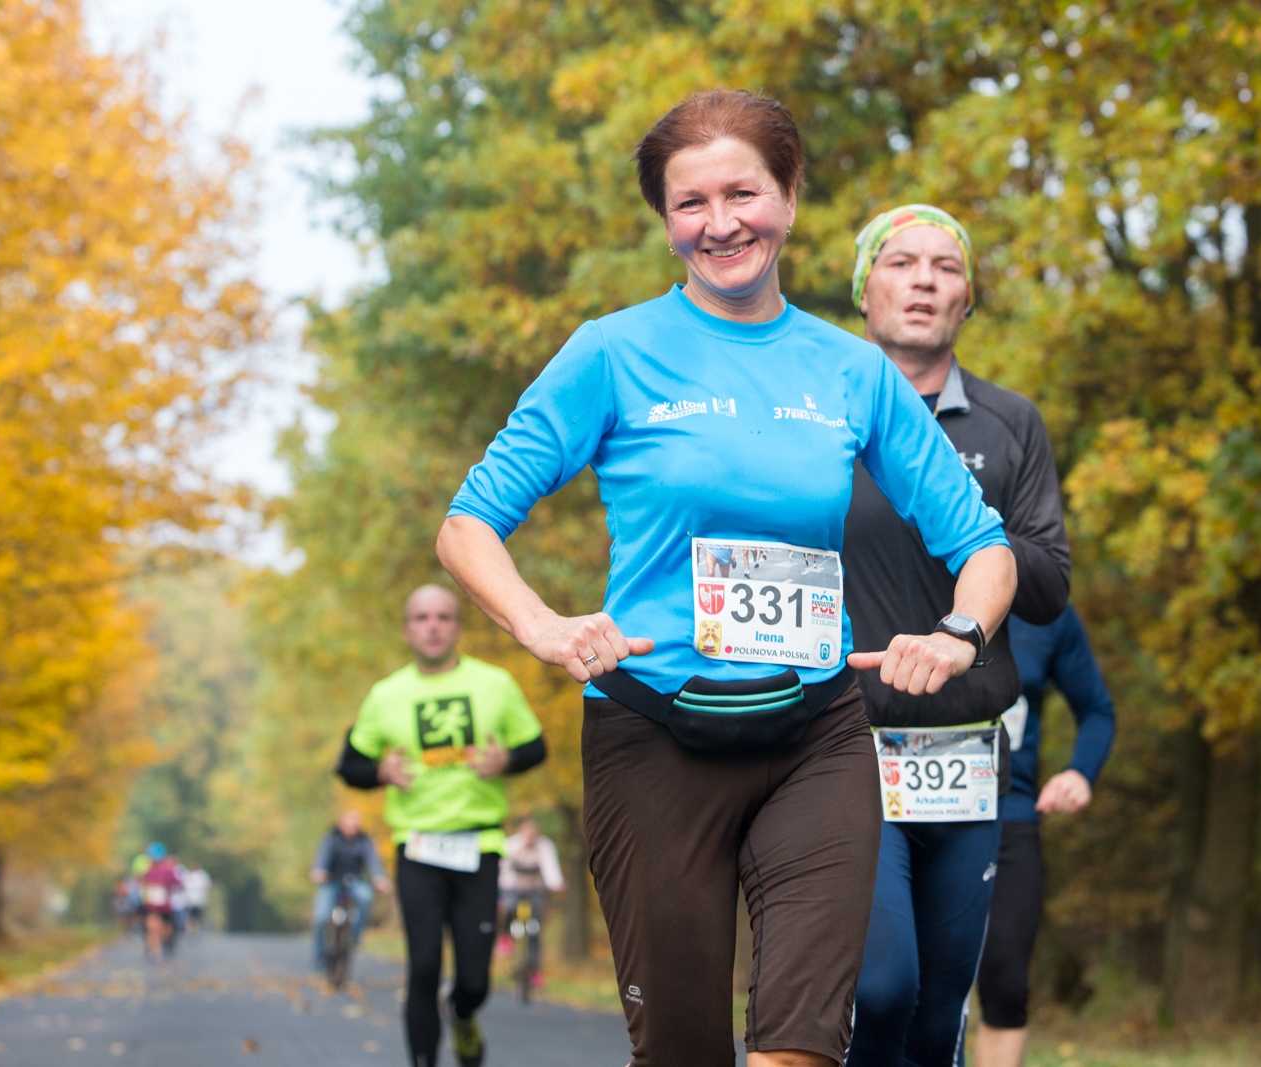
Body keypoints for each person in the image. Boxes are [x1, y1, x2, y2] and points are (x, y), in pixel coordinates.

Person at [436, 89, 1016, 1067]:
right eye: (689, 204)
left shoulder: (850, 370)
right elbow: (467, 526)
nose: (719, 223)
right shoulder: (612, 353)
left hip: (816, 730)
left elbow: (984, 545)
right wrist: (540, 625)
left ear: (788, 196)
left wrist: (956, 632)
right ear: (666, 221)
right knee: (684, 1048)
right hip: (653, 730)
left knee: (803, 1042)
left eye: (741, 193)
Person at [841, 204, 1072, 1067]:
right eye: (902, 262)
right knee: (878, 987)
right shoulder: (822, 417)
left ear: (967, 297)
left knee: (940, 1015)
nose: (925, 279)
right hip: (846, 742)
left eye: (946, 266)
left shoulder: (1010, 425)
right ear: (867, 289)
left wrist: (972, 533)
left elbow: (1049, 587)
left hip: (969, 755)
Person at [335, 584, 548, 1067]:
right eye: (422, 617)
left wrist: (506, 759)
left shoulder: (495, 684)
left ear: (458, 626)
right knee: (424, 966)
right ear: (407, 629)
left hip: (479, 843)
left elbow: (537, 748)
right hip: (417, 847)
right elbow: (349, 765)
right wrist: (380, 772)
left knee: (474, 979)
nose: (433, 625)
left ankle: (463, 1015)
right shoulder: (386, 695)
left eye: (443, 617)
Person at [974, 607, 1115, 1067]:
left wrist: (1080, 772)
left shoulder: (1047, 616)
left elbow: (1096, 710)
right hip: (908, 812)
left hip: (1011, 814)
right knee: (905, 984)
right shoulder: (910, 580)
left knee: (1006, 980)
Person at [310, 809, 391, 970]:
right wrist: (319, 870)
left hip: (354, 881)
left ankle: (355, 936)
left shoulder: (364, 840)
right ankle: (320, 955)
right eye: (351, 823)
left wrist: (379, 878)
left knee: (366, 896)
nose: (354, 826)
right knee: (320, 917)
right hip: (331, 882)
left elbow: (373, 860)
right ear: (342, 824)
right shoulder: (332, 838)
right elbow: (323, 857)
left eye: (356, 824)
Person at [496, 817, 565, 984]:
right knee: (509, 908)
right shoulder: (511, 845)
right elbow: (502, 869)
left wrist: (556, 883)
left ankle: (535, 971)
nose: (530, 837)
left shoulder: (544, 846)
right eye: (527, 833)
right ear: (521, 833)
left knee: (535, 929)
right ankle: (506, 936)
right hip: (512, 886)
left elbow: (550, 867)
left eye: (533, 834)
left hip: (535, 889)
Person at [138, 842, 182, 964]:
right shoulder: (148, 871)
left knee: (166, 930)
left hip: (165, 906)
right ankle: (155, 952)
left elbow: (178, 884)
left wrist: (168, 889)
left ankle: (161, 945)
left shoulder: (169, 869)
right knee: (152, 927)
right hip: (151, 905)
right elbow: (143, 884)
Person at [183, 865, 211, 935]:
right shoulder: (200, 876)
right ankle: (193, 929)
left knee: (191, 916)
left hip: (192, 900)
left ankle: (191, 929)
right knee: (195, 916)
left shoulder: (189, 876)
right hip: (196, 900)